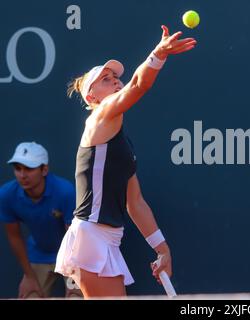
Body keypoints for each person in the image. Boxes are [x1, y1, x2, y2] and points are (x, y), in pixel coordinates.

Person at [55, 25, 196, 298]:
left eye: (116, 78)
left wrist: (162, 248)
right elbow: (139, 84)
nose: (116, 81)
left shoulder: (120, 146)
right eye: (106, 79)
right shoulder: (99, 117)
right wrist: (158, 54)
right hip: (91, 236)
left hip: (107, 238)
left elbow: (136, 202)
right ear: (91, 97)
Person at [0, 142, 82, 298]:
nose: (22, 175)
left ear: (44, 170)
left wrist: (73, 277)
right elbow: (14, 236)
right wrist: (29, 276)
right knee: (30, 295)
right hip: (38, 255)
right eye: (18, 169)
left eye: (29, 169)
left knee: (76, 297)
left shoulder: (65, 192)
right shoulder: (6, 195)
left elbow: (74, 239)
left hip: (71, 258)